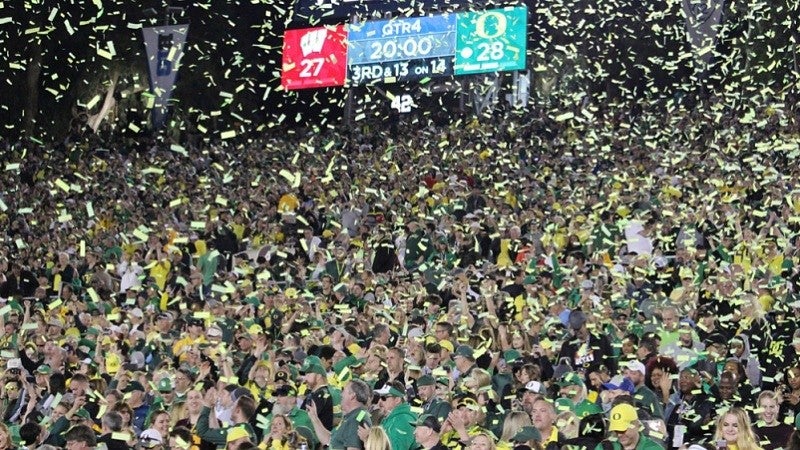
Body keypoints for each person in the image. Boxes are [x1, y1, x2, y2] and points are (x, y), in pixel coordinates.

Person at [311, 378, 372, 450]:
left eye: (344, 390)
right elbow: (329, 440)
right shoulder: (352, 416)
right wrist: (314, 417)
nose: (341, 394)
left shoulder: (356, 418)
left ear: (352, 396)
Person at [596, 403, 662, 450]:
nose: (619, 435)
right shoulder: (604, 447)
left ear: (636, 425)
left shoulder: (654, 448)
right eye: (616, 430)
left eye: (623, 430)